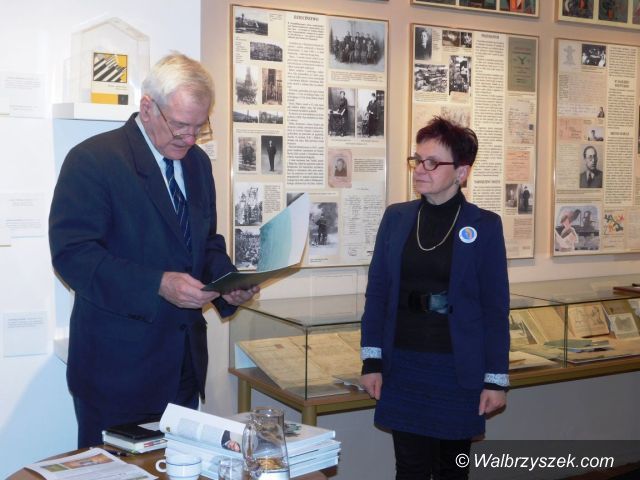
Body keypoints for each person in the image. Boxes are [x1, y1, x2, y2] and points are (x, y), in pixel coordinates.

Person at [49, 53, 258, 448]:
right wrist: (157, 284)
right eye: (180, 125)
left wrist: (227, 282)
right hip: (116, 372)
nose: (190, 138)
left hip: (183, 366)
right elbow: (73, 255)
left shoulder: (197, 163)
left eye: (199, 126)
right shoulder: (93, 160)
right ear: (147, 108)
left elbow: (204, 242)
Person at [360, 117, 509, 480]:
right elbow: (377, 292)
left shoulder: (485, 225)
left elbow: (495, 308)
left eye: (432, 162)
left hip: (456, 370)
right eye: (417, 160)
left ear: (461, 172)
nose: (420, 169)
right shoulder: (396, 218)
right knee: (409, 469)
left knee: (452, 471)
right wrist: (371, 361)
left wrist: (496, 380)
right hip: (403, 365)